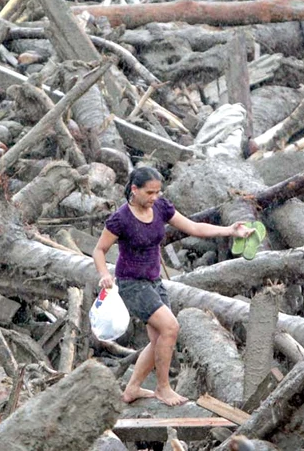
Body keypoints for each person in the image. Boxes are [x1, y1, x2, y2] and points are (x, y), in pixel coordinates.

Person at [92, 167, 254, 406]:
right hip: (132, 284)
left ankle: (132, 388)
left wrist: (230, 230)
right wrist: (104, 273)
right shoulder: (121, 218)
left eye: (158, 192)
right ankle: (163, 387)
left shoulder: (161, 207)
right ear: (134, 190)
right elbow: (99, 250)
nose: (154, 197)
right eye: (149, 192)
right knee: (171, 328)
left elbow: (194, 227)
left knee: (158, 339)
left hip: (155, 281)